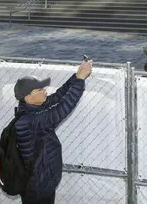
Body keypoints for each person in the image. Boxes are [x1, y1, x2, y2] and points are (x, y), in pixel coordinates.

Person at [14, 59, 92, 203]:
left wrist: (76, 76)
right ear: (28, 98)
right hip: (37, 187)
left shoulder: (32, 108)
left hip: (42, 182)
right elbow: (63, 107)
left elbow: (59, 96)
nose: (45, 91)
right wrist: (80, 80)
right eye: (40, 90)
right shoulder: (31, 121)